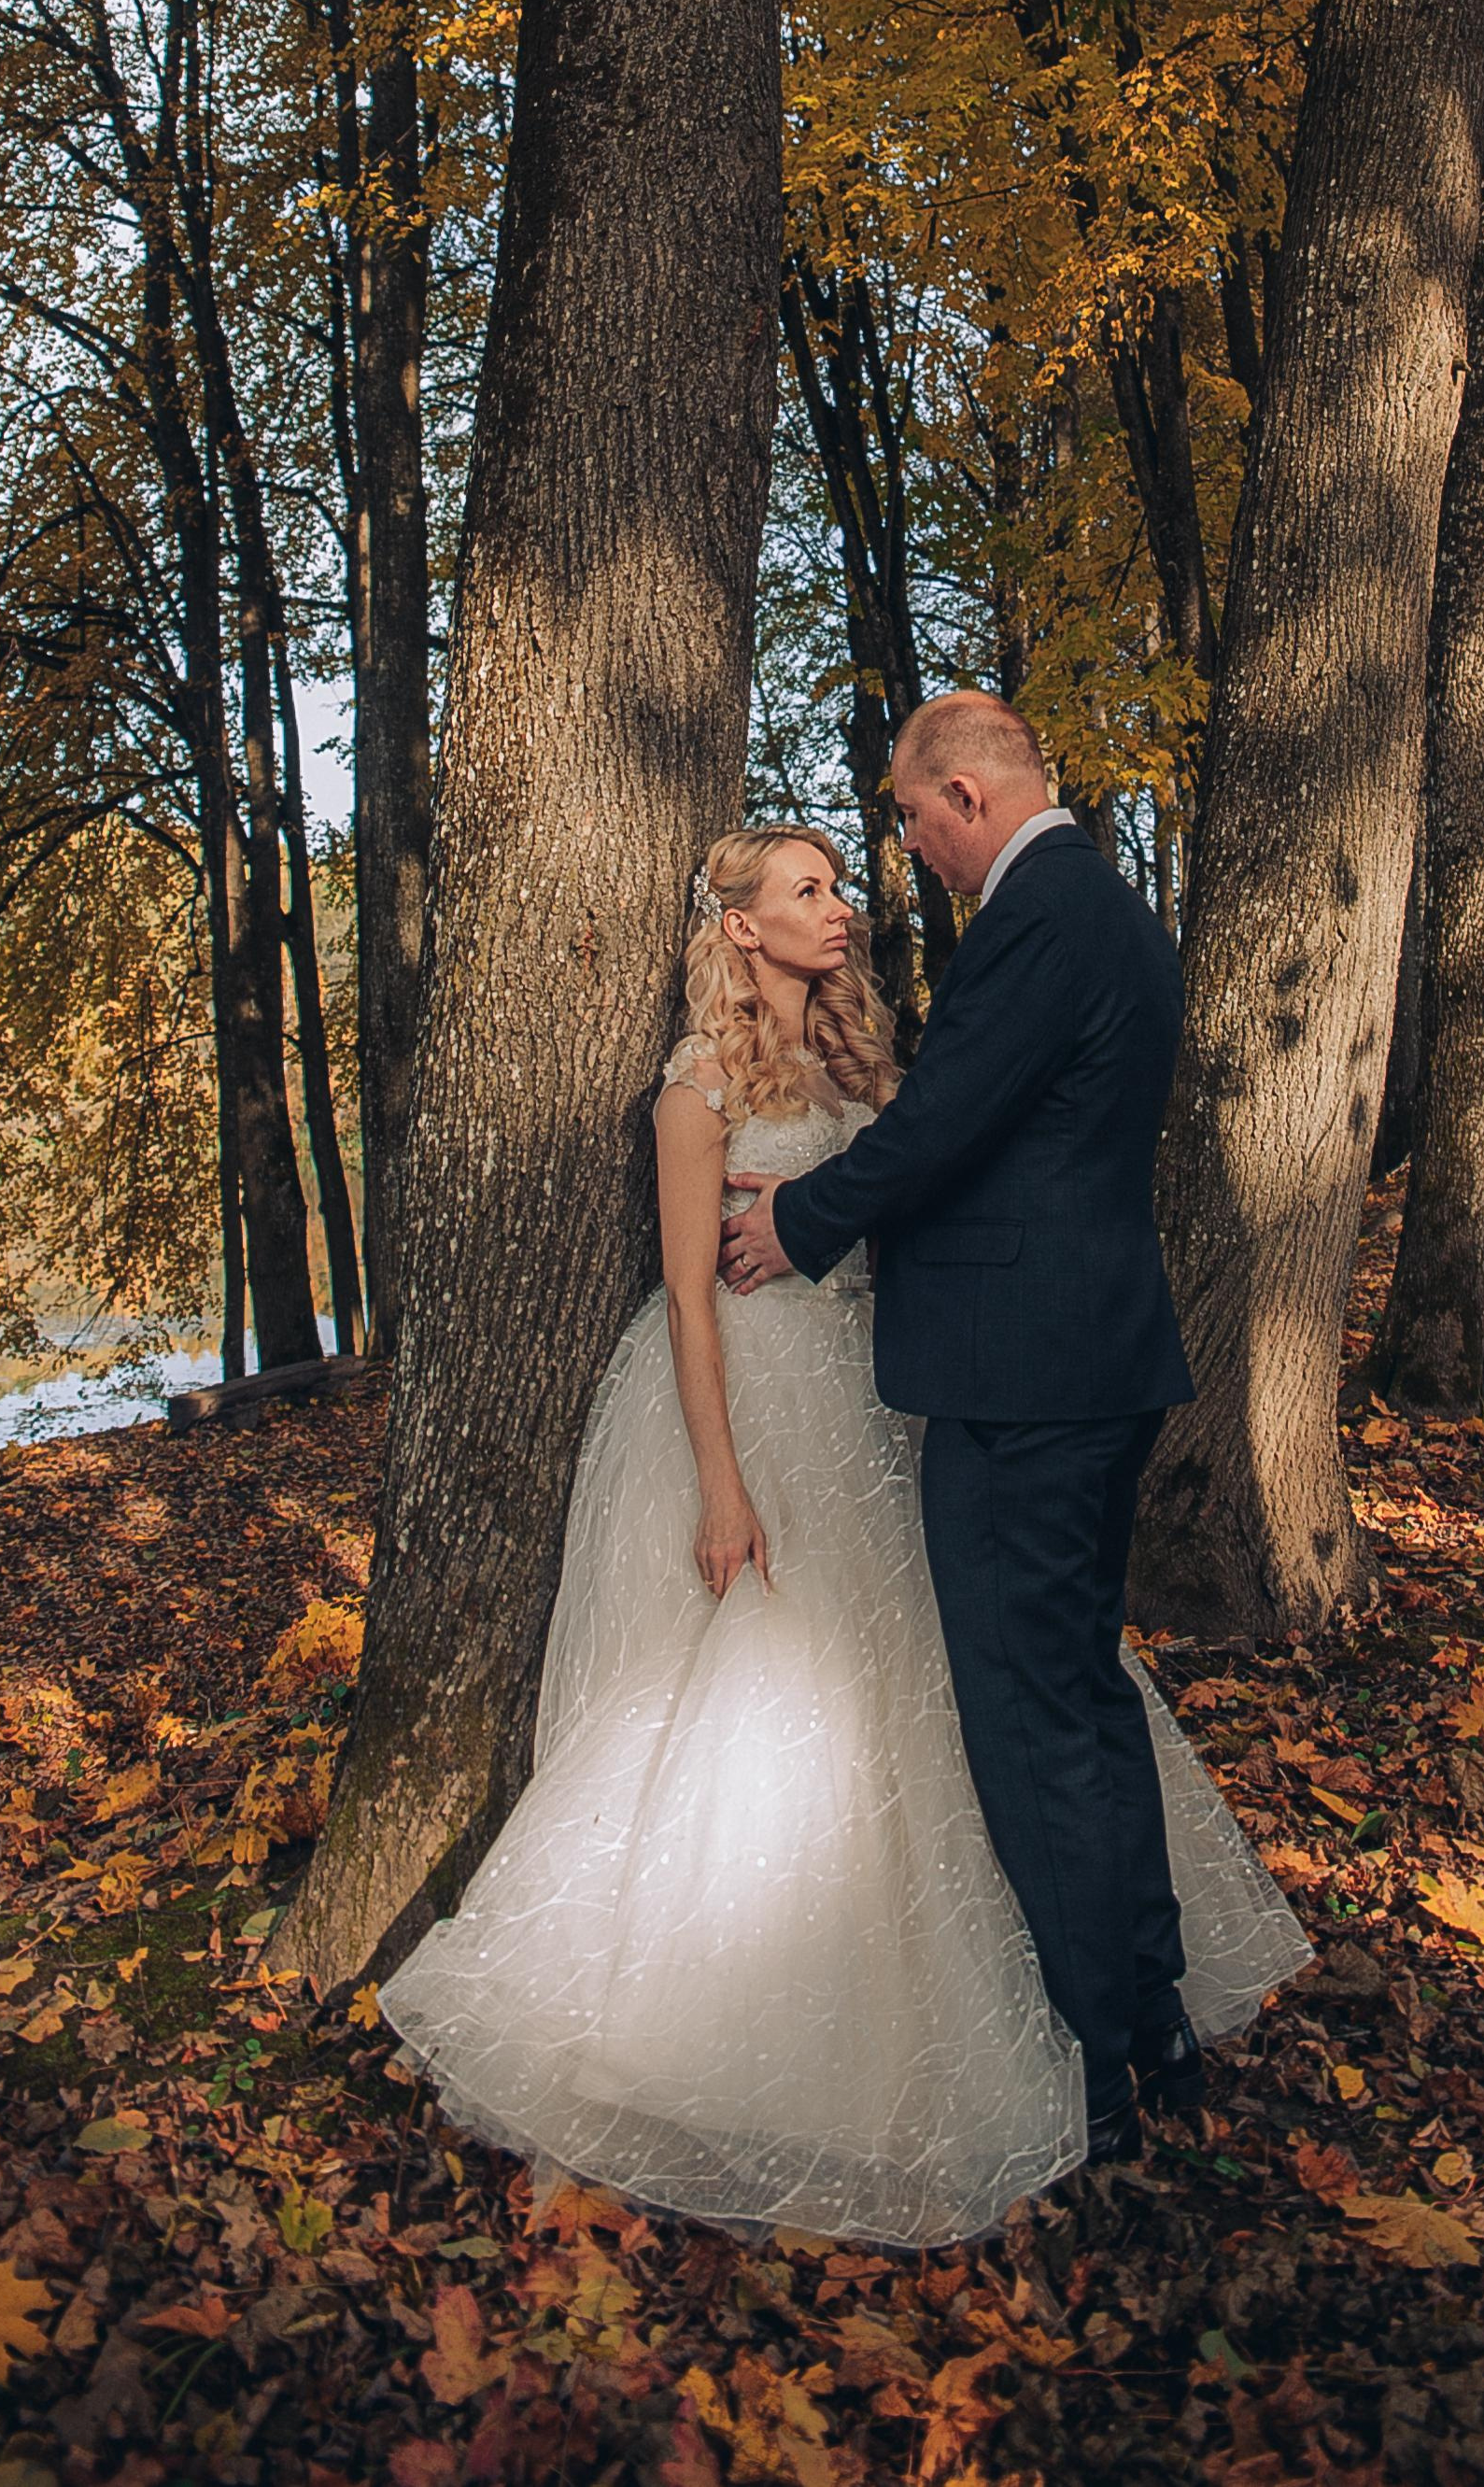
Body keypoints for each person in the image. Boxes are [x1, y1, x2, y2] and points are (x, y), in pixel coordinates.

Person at [379, 809, 1305, 2247]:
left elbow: (913, 1194)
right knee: (782, 1702)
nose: (842, 907)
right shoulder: (694, 1090)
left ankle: (1100, 2000)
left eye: (838, 886)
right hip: (758, 1410)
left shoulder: (869, 1063)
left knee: (952, 1690)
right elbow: (690, 1298)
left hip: (883, 1406)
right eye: (807, 891)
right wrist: (724, 1482)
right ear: (739, 923)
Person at [722, 692, 1271, 2163]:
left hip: (1022, 1382)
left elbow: (945, 1118)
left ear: (965, 795)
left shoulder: (1044, 914)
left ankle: (1102, 2061)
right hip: (1086, 1360)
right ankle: (1146, 2016)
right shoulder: (1111, 911)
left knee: (1031, 1719)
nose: (906, 848)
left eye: (908, 818)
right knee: (1081, 1702)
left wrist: (798, 1217)